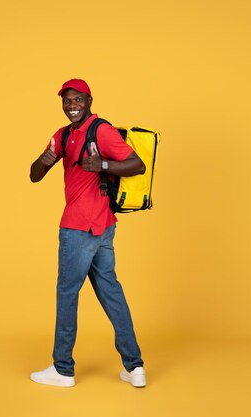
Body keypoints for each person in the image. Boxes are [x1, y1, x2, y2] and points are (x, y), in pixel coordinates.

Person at [29, 79, 147, 388]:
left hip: (80, 227)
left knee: (67, 294)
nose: (72, 106)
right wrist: (42, 162)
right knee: (111, 292)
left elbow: (138, 164)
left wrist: (103, 164)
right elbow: (34, 176)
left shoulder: (102, 131)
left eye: (77, 99)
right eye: (67, 101)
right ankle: (135, 368)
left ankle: (63, 368)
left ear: (89, 99)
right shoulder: (64, 135)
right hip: (101, 227)